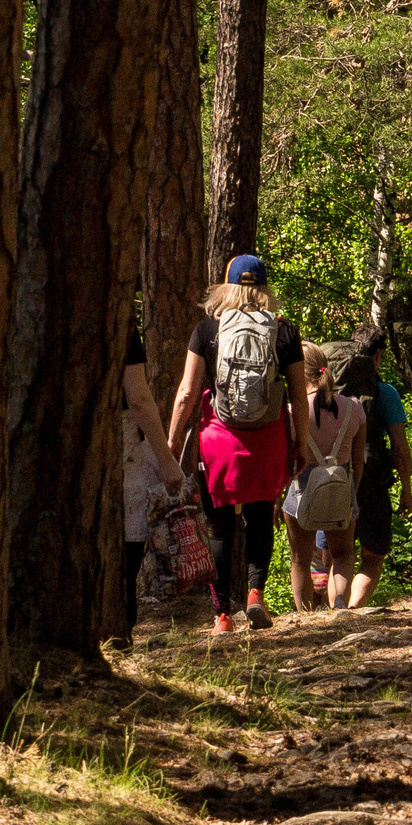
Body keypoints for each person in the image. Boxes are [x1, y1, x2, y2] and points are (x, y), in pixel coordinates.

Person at [167, 254, 308, 634]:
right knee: (262, 520)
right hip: (268, 441)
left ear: (226, 287)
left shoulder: (207, 331)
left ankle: (222, 616)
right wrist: (303, 445)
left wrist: (172, 441)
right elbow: (297, 395)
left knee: (219, 529)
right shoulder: (285, 332)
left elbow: (186, 393)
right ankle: (255, 596)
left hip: (219, 443)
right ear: (264, 289)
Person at [327, 322, 412, 608]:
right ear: (378, 356)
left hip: (334, 477)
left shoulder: (331, 393)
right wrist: (406, 489)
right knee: (372, 556)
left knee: (338, 554)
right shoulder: (386, 393)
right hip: (373, 482)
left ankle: (336, 610)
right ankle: (352, 609)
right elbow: (400, 448)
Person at [285, 343, 366, 610]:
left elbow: (285, 460)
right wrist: (352, 490)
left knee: (300, 558)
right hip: (341, 487)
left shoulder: (291, 413)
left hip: (301, 490)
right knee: (343, 553)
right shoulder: (354, 408)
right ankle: (341, 603)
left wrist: (276, 500)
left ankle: (305, 616)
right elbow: (357, 461)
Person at [119, 315, 185, 638]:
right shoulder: (119, 317)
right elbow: (139, 398)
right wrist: (166, 460)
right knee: (127, 548)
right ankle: (120, 634)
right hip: (124, 442)